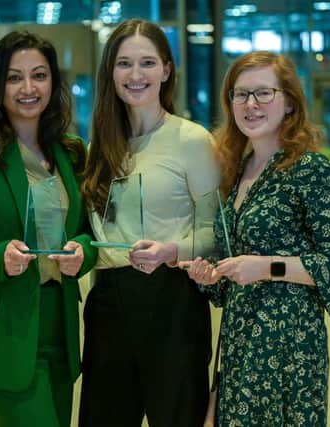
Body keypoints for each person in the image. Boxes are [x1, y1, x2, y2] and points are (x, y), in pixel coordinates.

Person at [181, 51, 330, 425]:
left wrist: (267, 267)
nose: (251, 104)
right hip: (240, 343)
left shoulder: (310, 170)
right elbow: (236, 270)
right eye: (240, 94)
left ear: (289, 102)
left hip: (289, 349)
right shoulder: (237, 171)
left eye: (263, 93)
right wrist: (212, 276)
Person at [0, 31, 97, 427]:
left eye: (39, 75)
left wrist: (82, 251)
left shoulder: (72, 150)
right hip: (3, 328)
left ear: (53, 83)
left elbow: (90, 229)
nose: (28, 88)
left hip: (59, 323)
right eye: (14, 77)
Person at [79, 19, 220, 427]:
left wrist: (171, 250)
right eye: (124, 63)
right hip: (107, 305)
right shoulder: (100, 147)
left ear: (167, 70)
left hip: (172, 301)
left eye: (147, 63)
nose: (135, 75)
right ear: (111, 72)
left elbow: (218, 234)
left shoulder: (191, 140)